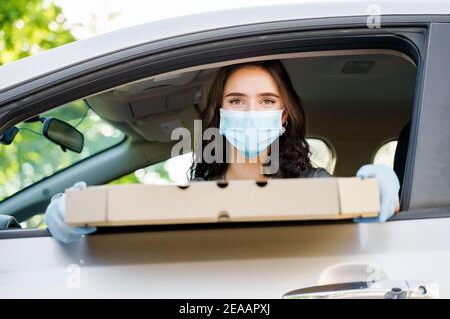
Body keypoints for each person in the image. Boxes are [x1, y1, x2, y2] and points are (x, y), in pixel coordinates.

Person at [45, 60, 400, 244]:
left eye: (266, 101)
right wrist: (72, 211)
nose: (250, 112)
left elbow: (359, 222)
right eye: (236, 101)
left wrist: (376, 184)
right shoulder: (194, 195)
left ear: (283, 115)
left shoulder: (313, 183)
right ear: (219, 116)